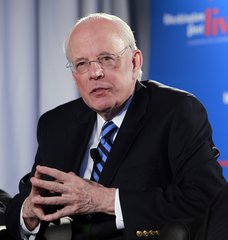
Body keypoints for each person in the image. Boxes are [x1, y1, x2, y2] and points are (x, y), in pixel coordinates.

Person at [5, 13, 226, 240]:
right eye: (82, 64)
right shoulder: (56, 124)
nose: (95, 73)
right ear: (74, 75)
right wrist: (29, 214)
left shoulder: (176, 112)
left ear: (135, 62)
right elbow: (25, 199)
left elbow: (207, 198)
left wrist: (107, 200)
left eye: (106, 59)